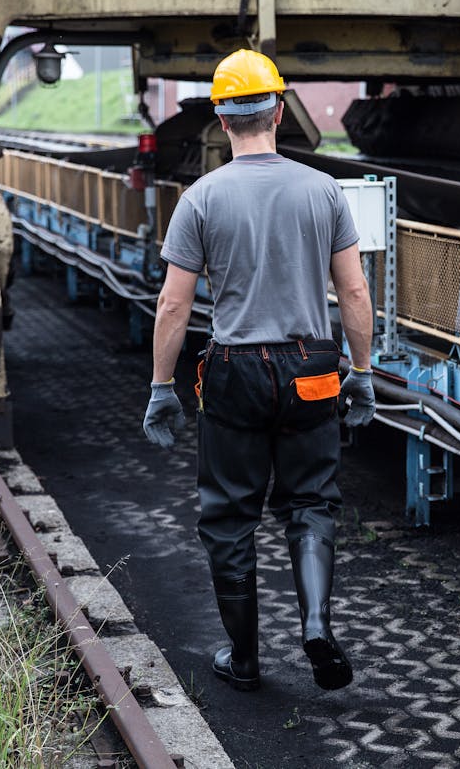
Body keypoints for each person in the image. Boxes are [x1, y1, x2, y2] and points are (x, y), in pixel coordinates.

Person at [142, 49, 376, 693]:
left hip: (235, 371)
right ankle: (315, 624)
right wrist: (361, 371)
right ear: (279, 110)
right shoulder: (322, 190)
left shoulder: (201, 198)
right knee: (311, 502)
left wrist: (163, 388)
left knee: (229, 516)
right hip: (311, 369)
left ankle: (245, 659)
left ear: (221, 119)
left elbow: (174, 302)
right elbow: (354, 294)